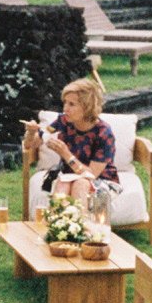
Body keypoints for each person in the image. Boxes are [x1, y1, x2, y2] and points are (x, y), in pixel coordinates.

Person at [25, 76, 122, 213]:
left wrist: (66, 154)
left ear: (87, 106)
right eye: (65, 103)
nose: (65, 109)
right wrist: (31, 132)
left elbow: (91, 175)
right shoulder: (63, 121)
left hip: (102, 180)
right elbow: (35, 142)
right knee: (62, 185)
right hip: (69, 176)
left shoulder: (104, 133)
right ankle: (59, 230)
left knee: (80, 184)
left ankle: (80, 230)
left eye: (72, 104)